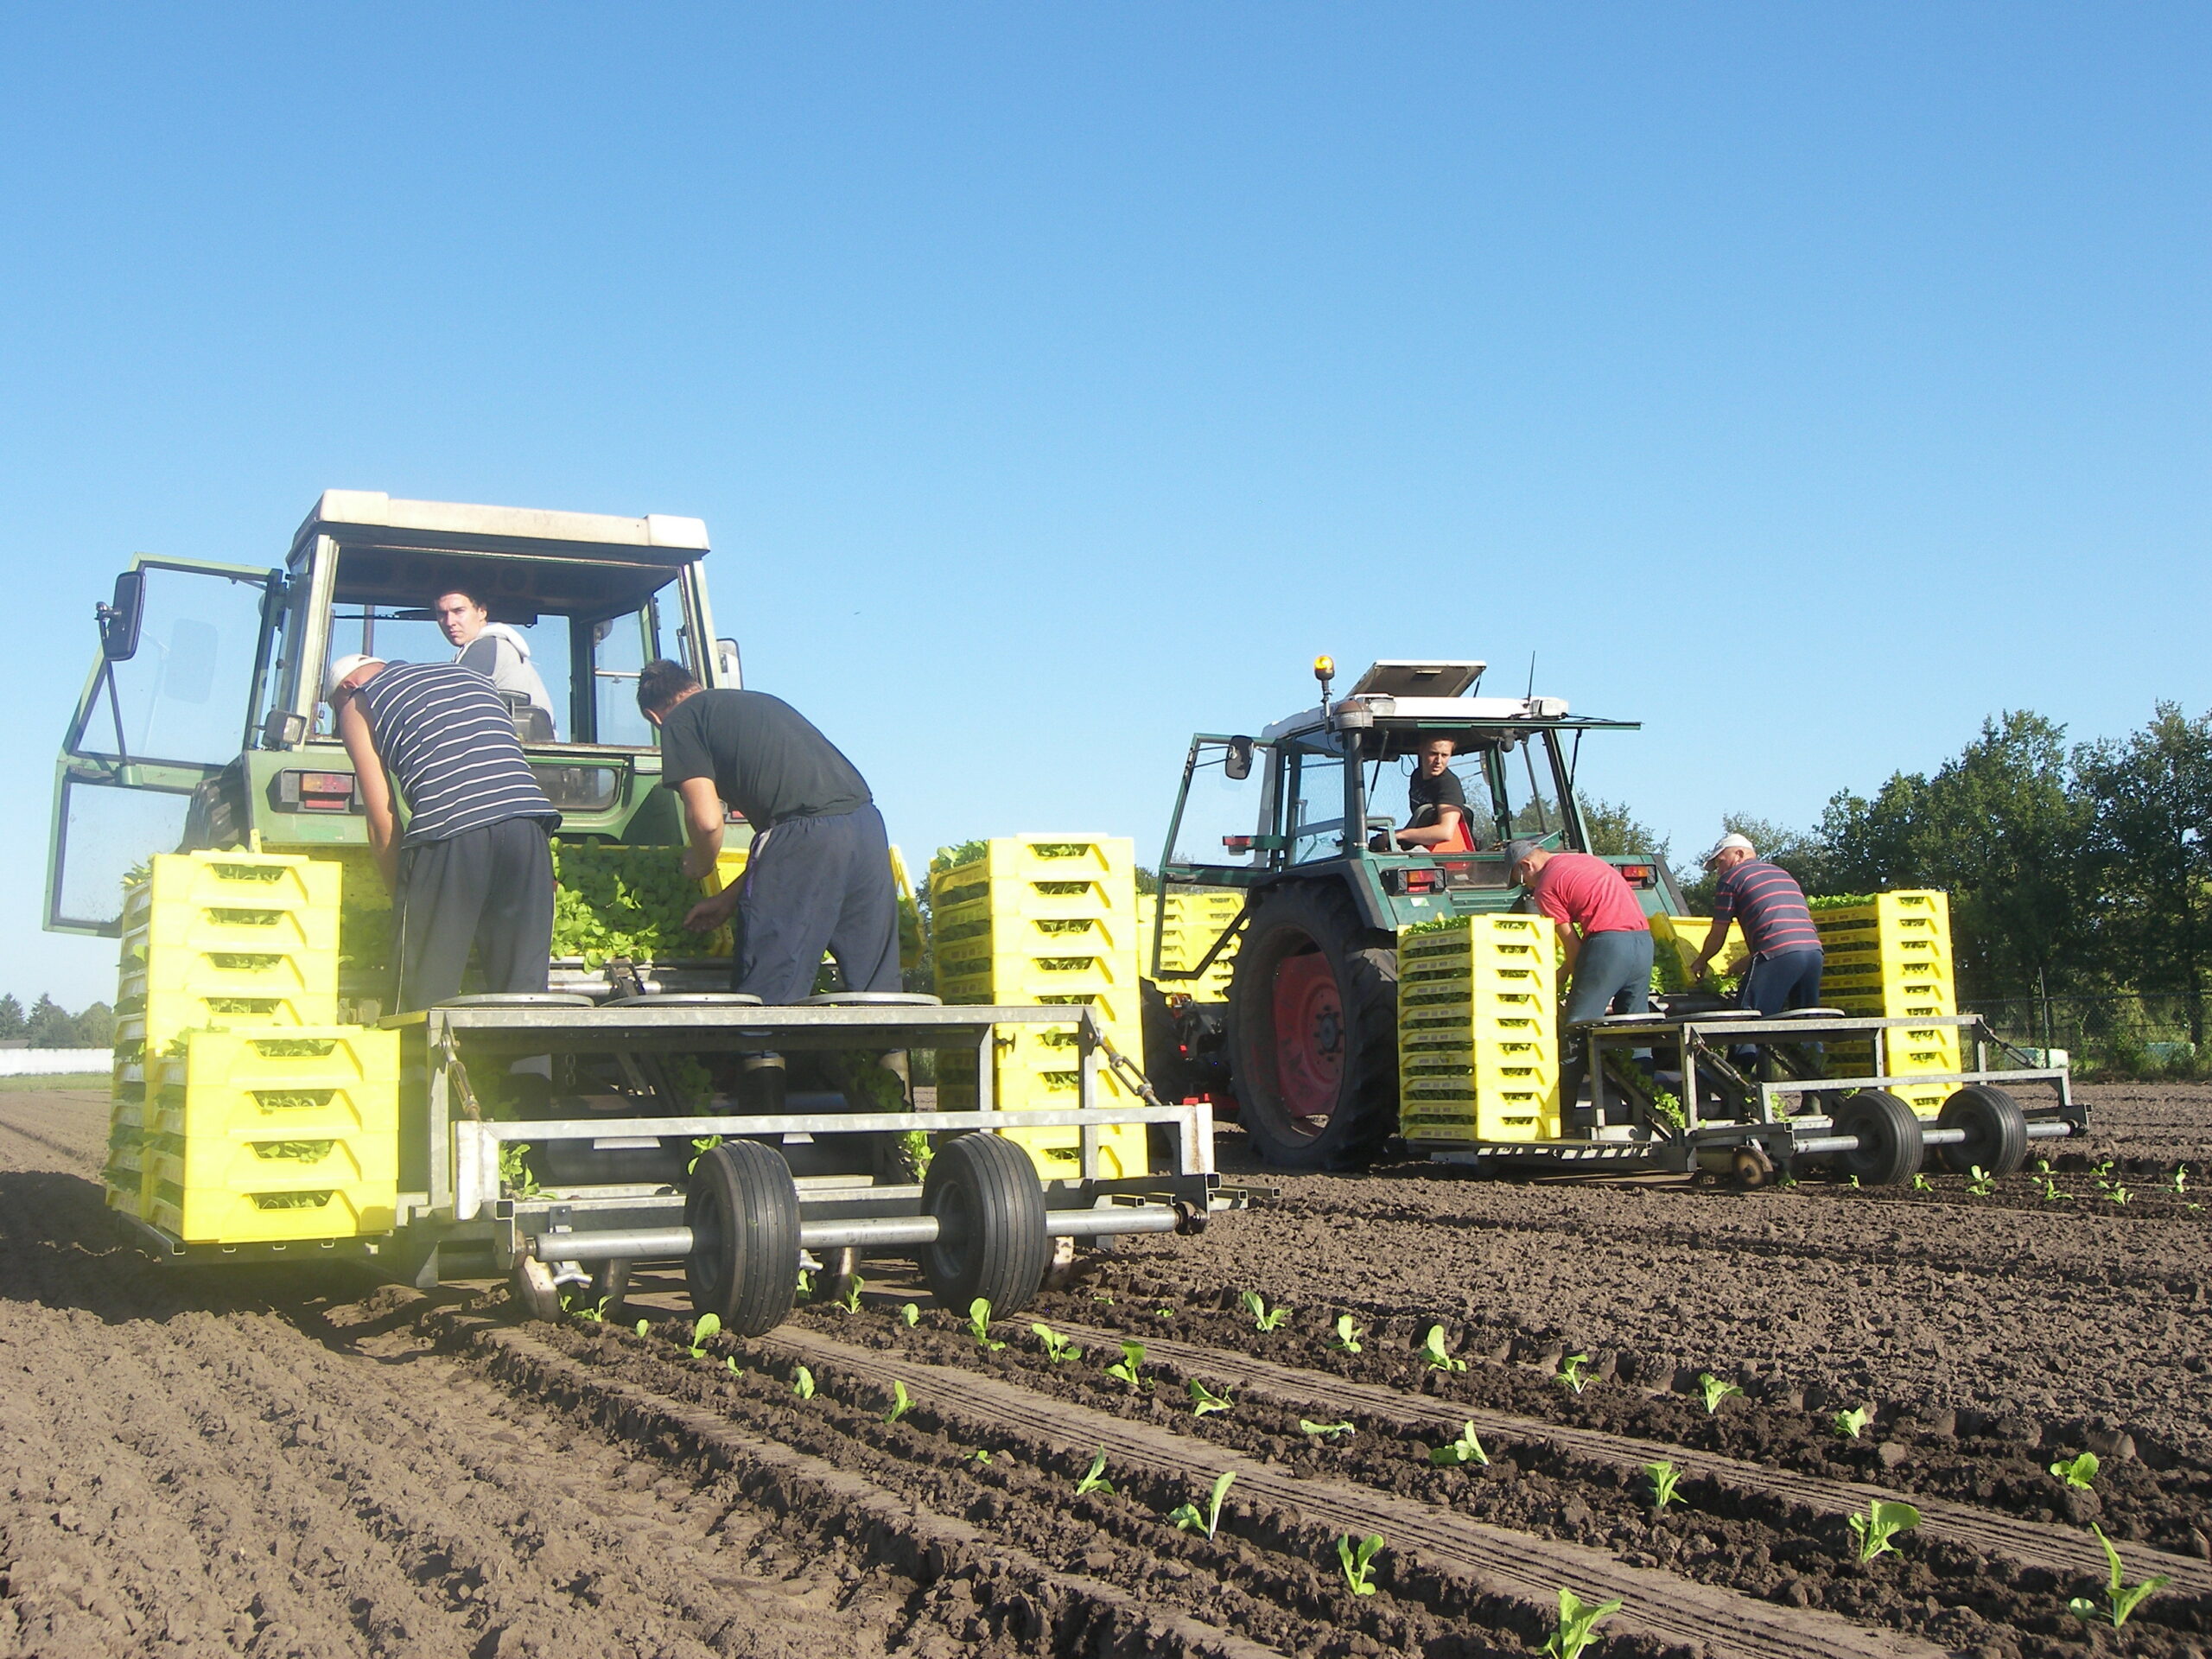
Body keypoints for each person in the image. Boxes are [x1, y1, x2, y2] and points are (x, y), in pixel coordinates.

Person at [637, 660, 898, 1004]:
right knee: (878, 989)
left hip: (805, 836)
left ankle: (763, 1056)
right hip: (866, 827)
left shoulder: (680, 720)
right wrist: (727, 899)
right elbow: (799, 835)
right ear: (693, 685)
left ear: (655, 717)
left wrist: (700, 863)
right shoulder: (758, 702)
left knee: (769, 986)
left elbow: (708, 821)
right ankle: (892, 1055)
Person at [330, 652, 561, 1013]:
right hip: (528, 828)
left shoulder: (358, 702)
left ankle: (421, 1069)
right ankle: (529, 1069)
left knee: (421, 999)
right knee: (523, 998)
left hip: (450, 831)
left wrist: (403, 901)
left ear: (347, 687)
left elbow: (382, 819)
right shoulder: (469, 678)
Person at [1509, 837, 1653, 1117]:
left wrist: (1557, 980)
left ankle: (1561, 1119)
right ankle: (1647, 1112)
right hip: (1643, 944)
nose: (1526, 886)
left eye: (1521, 879)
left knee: (1576, 1029)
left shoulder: (1546, 888)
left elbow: (1573, 949)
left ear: (1527, 865)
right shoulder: (1584, 860)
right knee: (1636, 1029)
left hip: (1609, 945)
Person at [1694, 833, 1825, 1014]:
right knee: (1805, 1022)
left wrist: (1701, 961)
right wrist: (1749, 961)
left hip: (1777, 954)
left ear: (1739, 854)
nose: (1719, 871)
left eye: (1720, 862)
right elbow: (1784, 932)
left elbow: (1718, 933)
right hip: (1813, 953)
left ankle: (1748, 1044)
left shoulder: (1731, 879)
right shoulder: (1781, 873)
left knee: (1747, 1020)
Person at [435, 588, 556, 738]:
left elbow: (450, 707)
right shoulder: (498, 646)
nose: (449, 622)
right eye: (442, 614)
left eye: (458, 611)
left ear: (482, 612)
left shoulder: (485, 646)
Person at [1395, 736, 1478, 852]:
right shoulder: (1417, 776)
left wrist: (1399, 835)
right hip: (1421, 847)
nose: (1438, 761)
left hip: (1444, 855)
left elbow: (1445, 833)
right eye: (1433, 754)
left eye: (1444, 755)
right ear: (1421, 750)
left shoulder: (1448, 784)